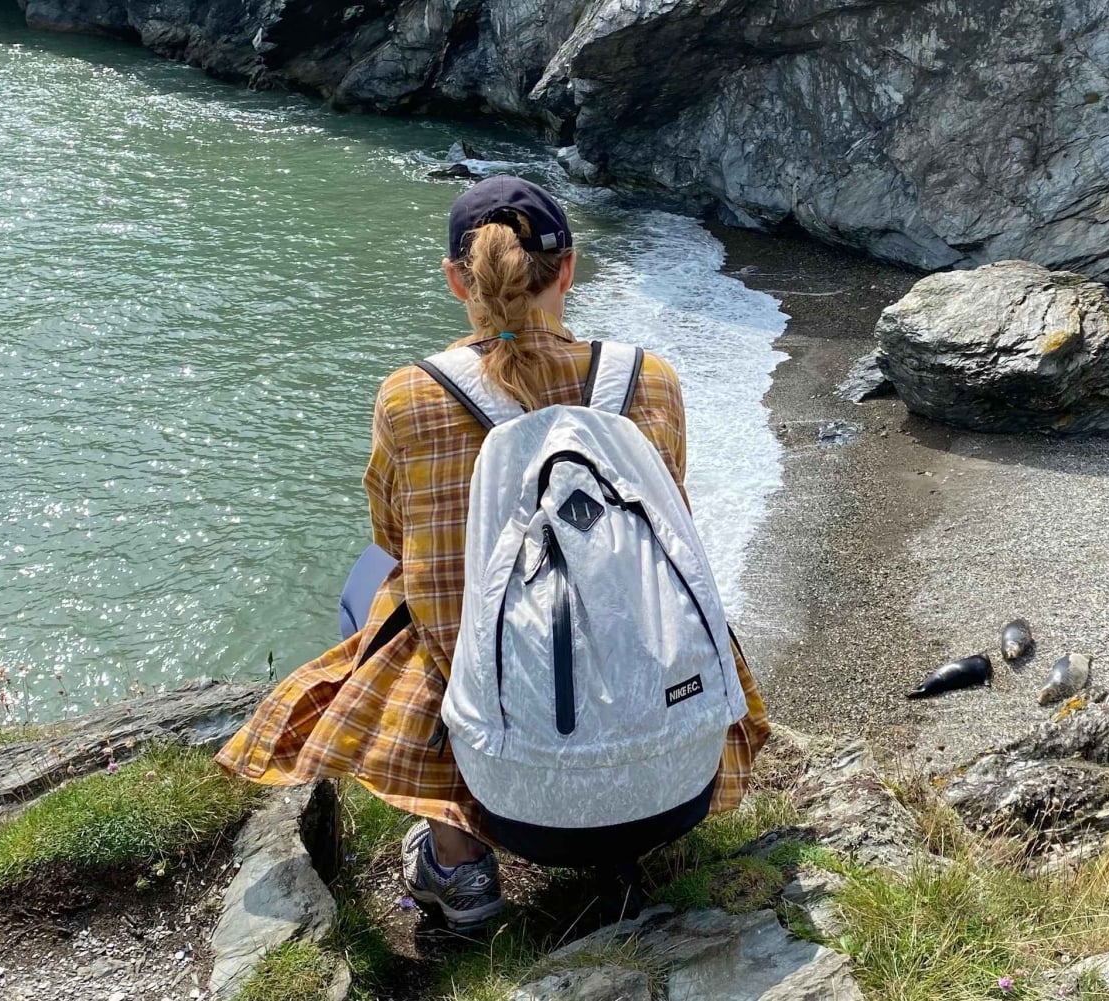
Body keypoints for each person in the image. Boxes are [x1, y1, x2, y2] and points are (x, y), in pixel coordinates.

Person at [216, 175, 770, 930]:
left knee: (387, 588)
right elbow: (673, 528)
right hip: (675, 782)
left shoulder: (410, 396)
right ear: (568, 270)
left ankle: (459, 866)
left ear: (457, 280)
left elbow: (392, 537)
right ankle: (618, 858)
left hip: (515, 794)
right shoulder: (651, 381)